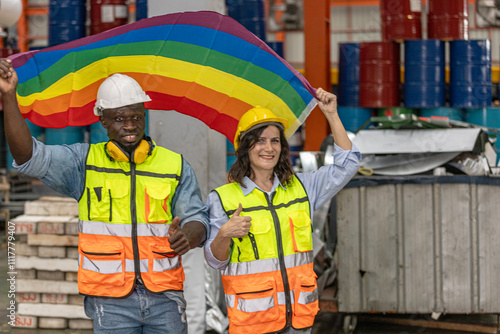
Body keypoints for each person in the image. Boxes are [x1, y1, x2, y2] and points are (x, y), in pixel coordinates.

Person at [0, 58, 209, 334]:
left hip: (165, 297)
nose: (130, 125)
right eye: (120, 118)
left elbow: (198, 218)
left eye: (136, 117)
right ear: (103, 121)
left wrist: (190, 235)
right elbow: (27, 155)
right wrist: (8, 95)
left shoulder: (174, 165)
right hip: (111, 301)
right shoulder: (83, 163)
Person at [204, 88, 361, 334]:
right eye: (259, 140)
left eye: (275, 140)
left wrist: (331, 114)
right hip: (253, 322)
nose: (269, 148)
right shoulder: (222, 198)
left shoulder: (301, 188)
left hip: (298, 320)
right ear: (245, 146)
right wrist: (224, 234)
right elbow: (214, 260)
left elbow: (347, 164)